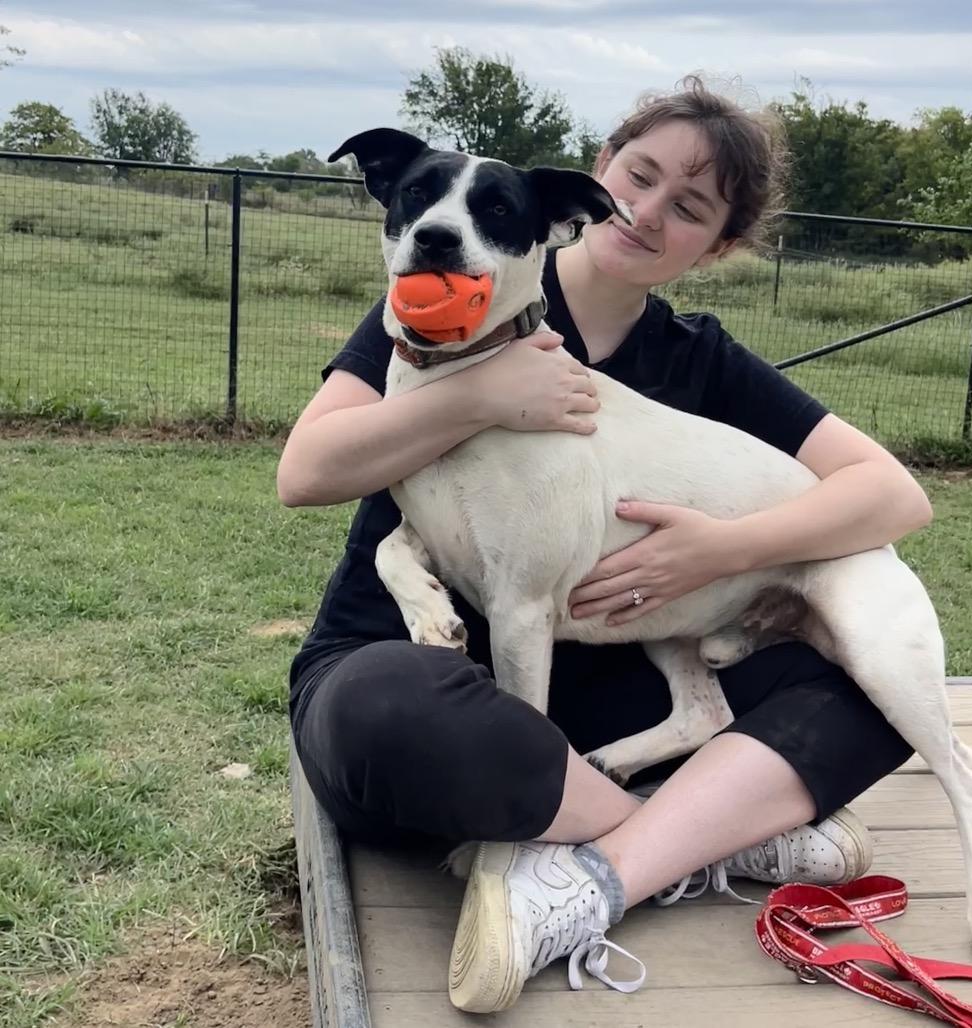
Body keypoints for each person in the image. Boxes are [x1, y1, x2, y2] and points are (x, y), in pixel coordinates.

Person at [278, 75, 930, 1013]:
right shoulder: (445, 289)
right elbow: (304, 472)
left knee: (878, 685)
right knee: (387, 708)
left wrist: (721, 548)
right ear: (598, 173)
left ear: (720, 244)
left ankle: (597, 868)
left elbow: (893, 495)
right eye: (640, 174)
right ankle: (701, 835)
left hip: (609, 702)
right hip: (421, 685)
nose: (646, 209)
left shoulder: (704, 359)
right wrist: (482, 396)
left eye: (690, 207)